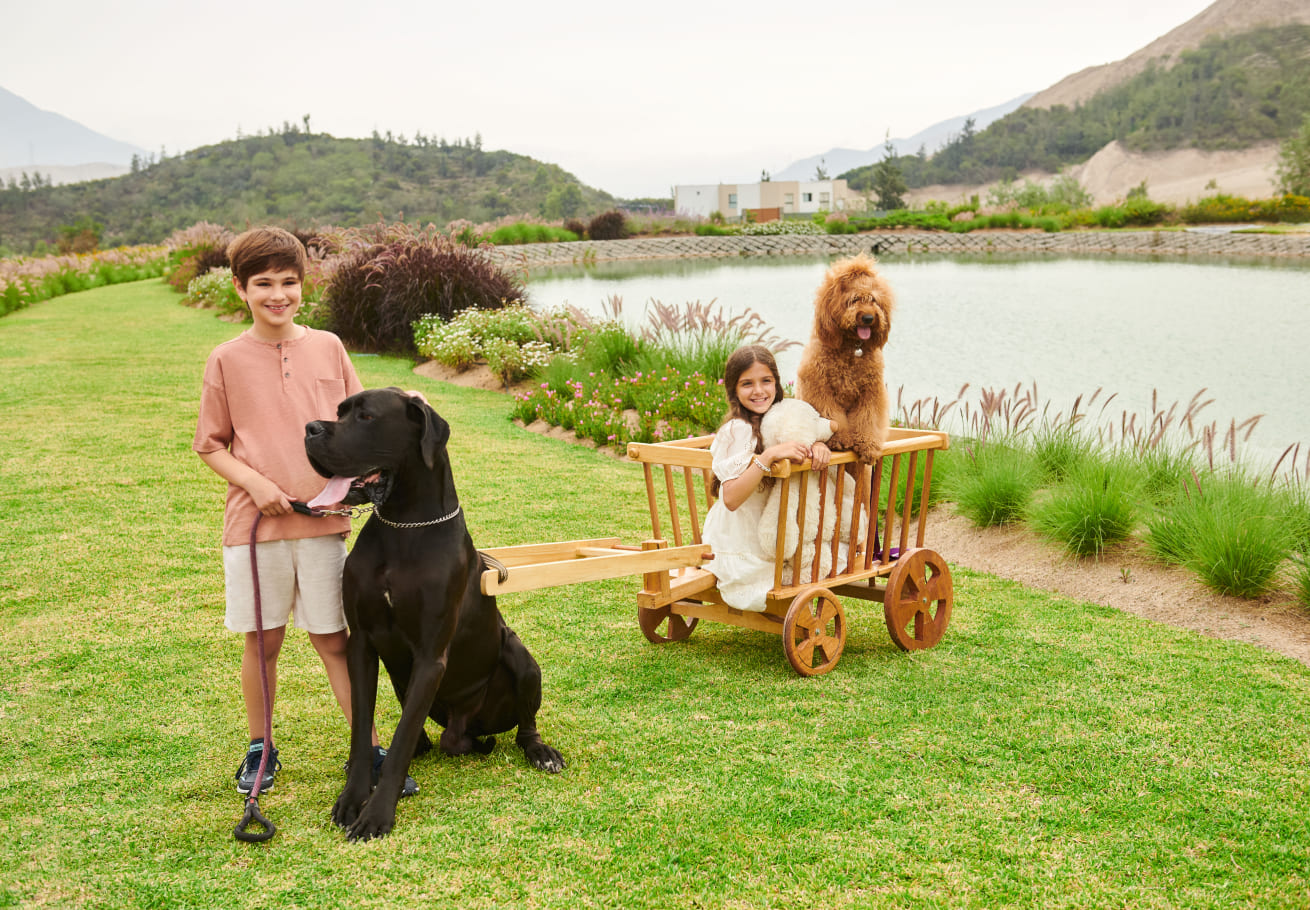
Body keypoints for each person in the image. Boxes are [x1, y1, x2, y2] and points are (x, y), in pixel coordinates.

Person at [193, 226, 413, 797]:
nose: (277, 295)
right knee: (262, 640)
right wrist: (257, 485)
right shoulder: (226, 359)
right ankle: (260, 749)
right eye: (263, 283)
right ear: (240, 288)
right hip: (256, 528)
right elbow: (211, 444)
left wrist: (411, 408)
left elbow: (367, 421)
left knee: (333, 638)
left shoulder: (329, 346)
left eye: (288, 282)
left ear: (303, 285)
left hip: (323, 526)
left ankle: (365, 748)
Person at [701, 345, 831, 611]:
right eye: (747, 384)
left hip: (767, 533)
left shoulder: (780, 419)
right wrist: (767, 456)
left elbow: (805, 433)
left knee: (814, 557)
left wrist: (817, 445)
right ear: (734, 391)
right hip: (739, 537)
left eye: (766, 381)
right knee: (774, 578)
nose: (758, 391)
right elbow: (732, 499)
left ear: (777, 383)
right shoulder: (737, 430)